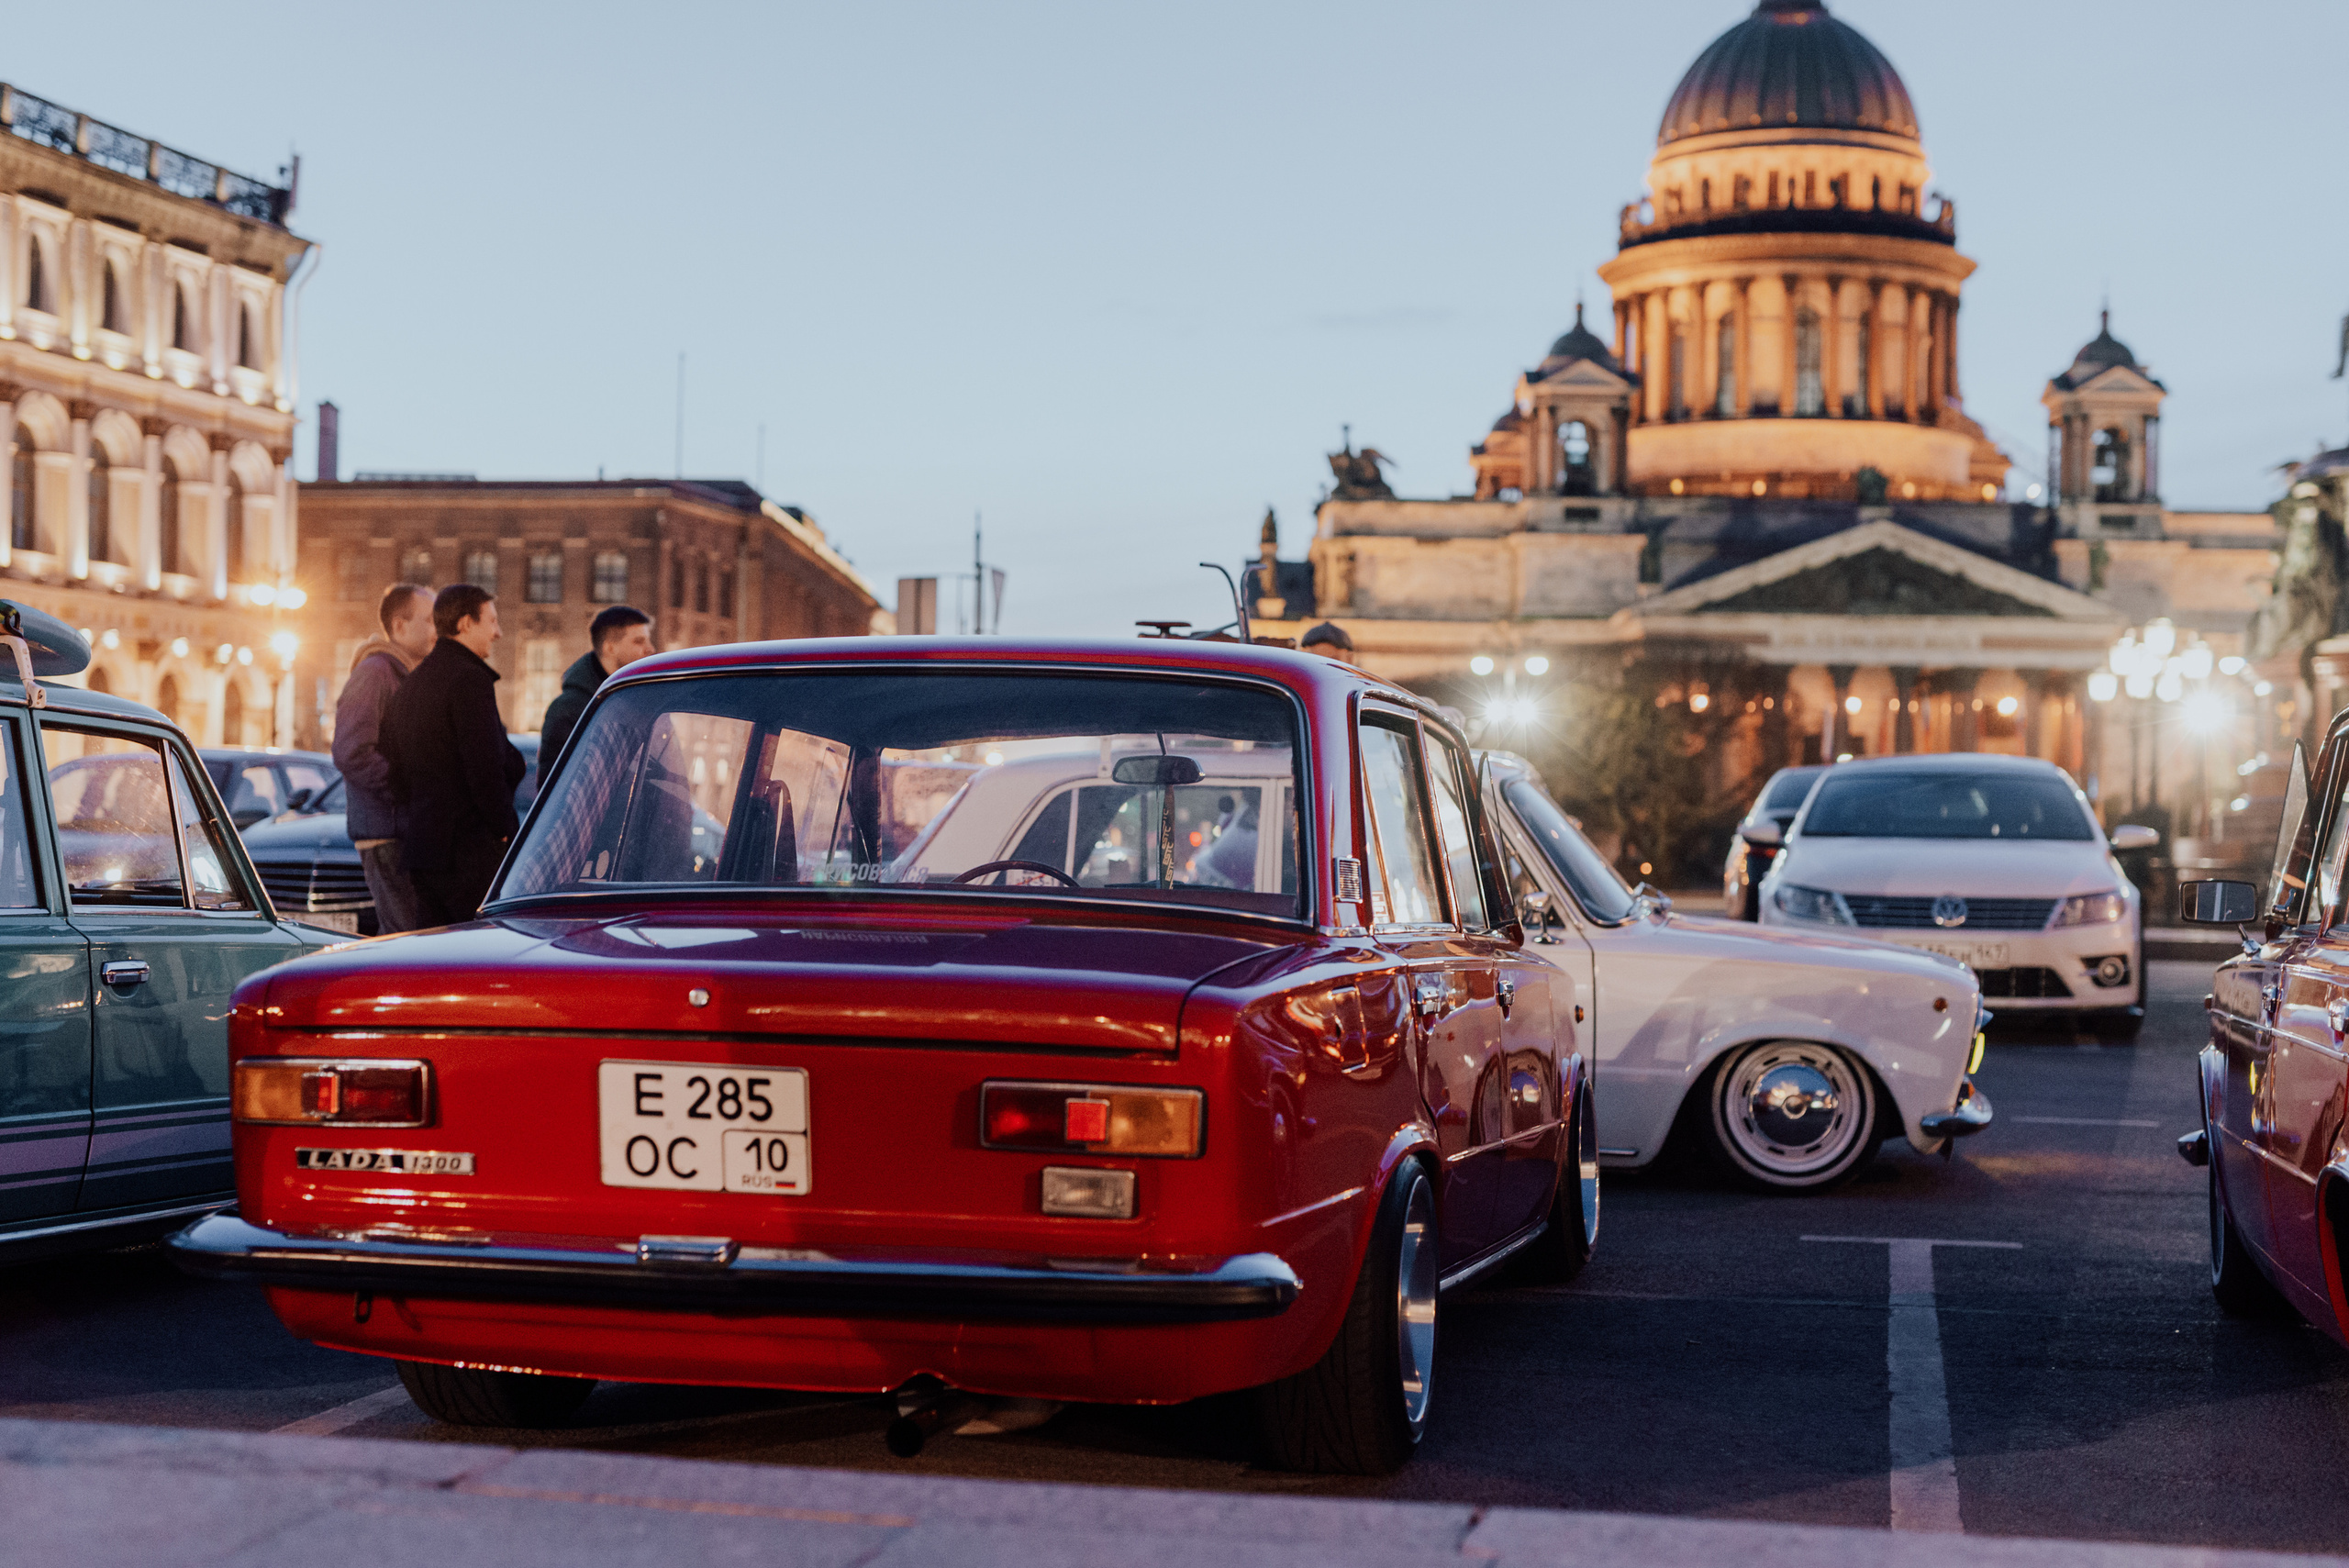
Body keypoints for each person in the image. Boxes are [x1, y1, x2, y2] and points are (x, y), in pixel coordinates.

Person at [382, 584, 527, 927]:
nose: (498, 633)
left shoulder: (412, 684)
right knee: (478, 955)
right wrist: (505, 829)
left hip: (423, 849)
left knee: (431, 959)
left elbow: (394, 768)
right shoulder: (469, 680)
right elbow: (484, 767)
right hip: (468, 851)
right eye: (491, 621)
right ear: (465, 623)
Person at [330, 584, 434, 934]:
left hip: (401, 829)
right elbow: (350, 750)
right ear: (401, 626)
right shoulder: (375, 673)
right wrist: (403, 789)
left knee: (407, 935)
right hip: (386, 832)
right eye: (430, 620)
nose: (438, 629)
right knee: (405, 938)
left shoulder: (404, 673)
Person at [539, 605, 655, 765]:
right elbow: (555, 782)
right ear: (610, 648)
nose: (650, 649)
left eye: (648, 641)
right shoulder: (568, 710)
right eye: (639, 641)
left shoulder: (643, 699)